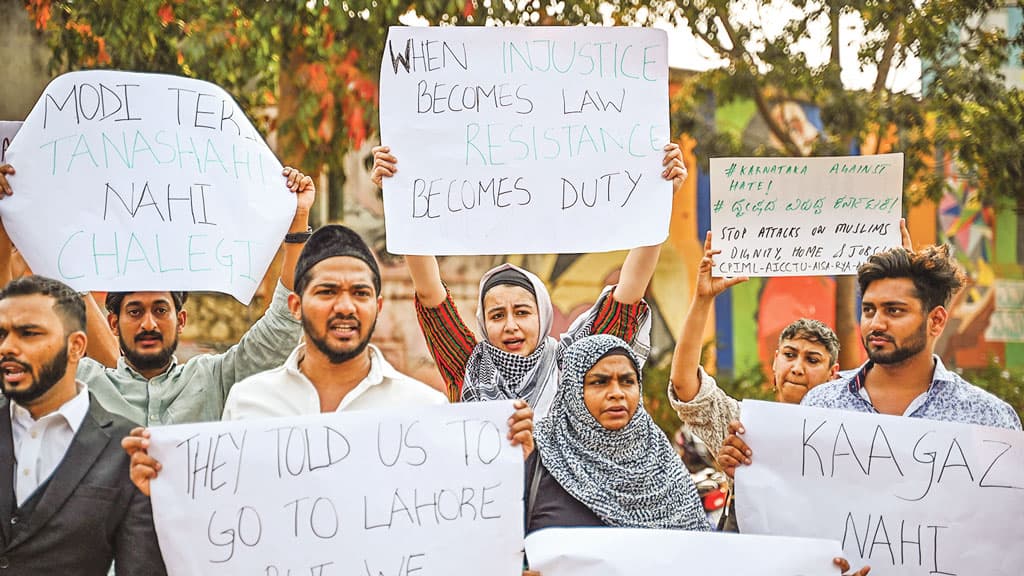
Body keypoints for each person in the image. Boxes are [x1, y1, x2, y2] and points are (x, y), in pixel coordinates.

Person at [123, 225, 536, 494]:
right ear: (296, 305)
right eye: (326, 292)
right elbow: (221, 512)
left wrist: (501, 464)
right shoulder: (249, 403)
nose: (345, 306)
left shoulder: (423, 410)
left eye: (359, 293)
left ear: (376, 304)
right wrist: (163, 488)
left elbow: (453, 514)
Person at [371, 144, 688, 414]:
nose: (510, 325)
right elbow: (430, 294)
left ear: (544, 316)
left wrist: (659, 202)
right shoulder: (468, 365)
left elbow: (628, 295)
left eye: (522, 312)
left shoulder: (577, 366)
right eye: (497, 315)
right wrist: (401, 198)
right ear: (483, 323)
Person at [0, 162, 316, 425]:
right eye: (135, 311)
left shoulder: (213, 379)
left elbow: (281, 326)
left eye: (160, 310)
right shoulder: (79, 382)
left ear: (181, 319)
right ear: (113, 323)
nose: (149, 324)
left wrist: (298, 222)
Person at [0, 275, 165, 575]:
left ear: (76, 347)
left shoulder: (127, 449)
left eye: (29, 333)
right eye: (1, 335)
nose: (8, 347)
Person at [667, 231, 840, 457]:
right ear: (775, 362)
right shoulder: (742, 426)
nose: (797, 368)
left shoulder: (848, 434)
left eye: (812, 360)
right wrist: (702, 299)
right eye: (789, 355)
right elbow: (685, 385)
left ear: (833, 374)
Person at [527, 334, 710, 534]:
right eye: (599, 382)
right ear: (573, 391)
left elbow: (697, 553)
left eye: (627, 381)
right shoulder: (539, 455)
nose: (617, 393)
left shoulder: (662, 461)